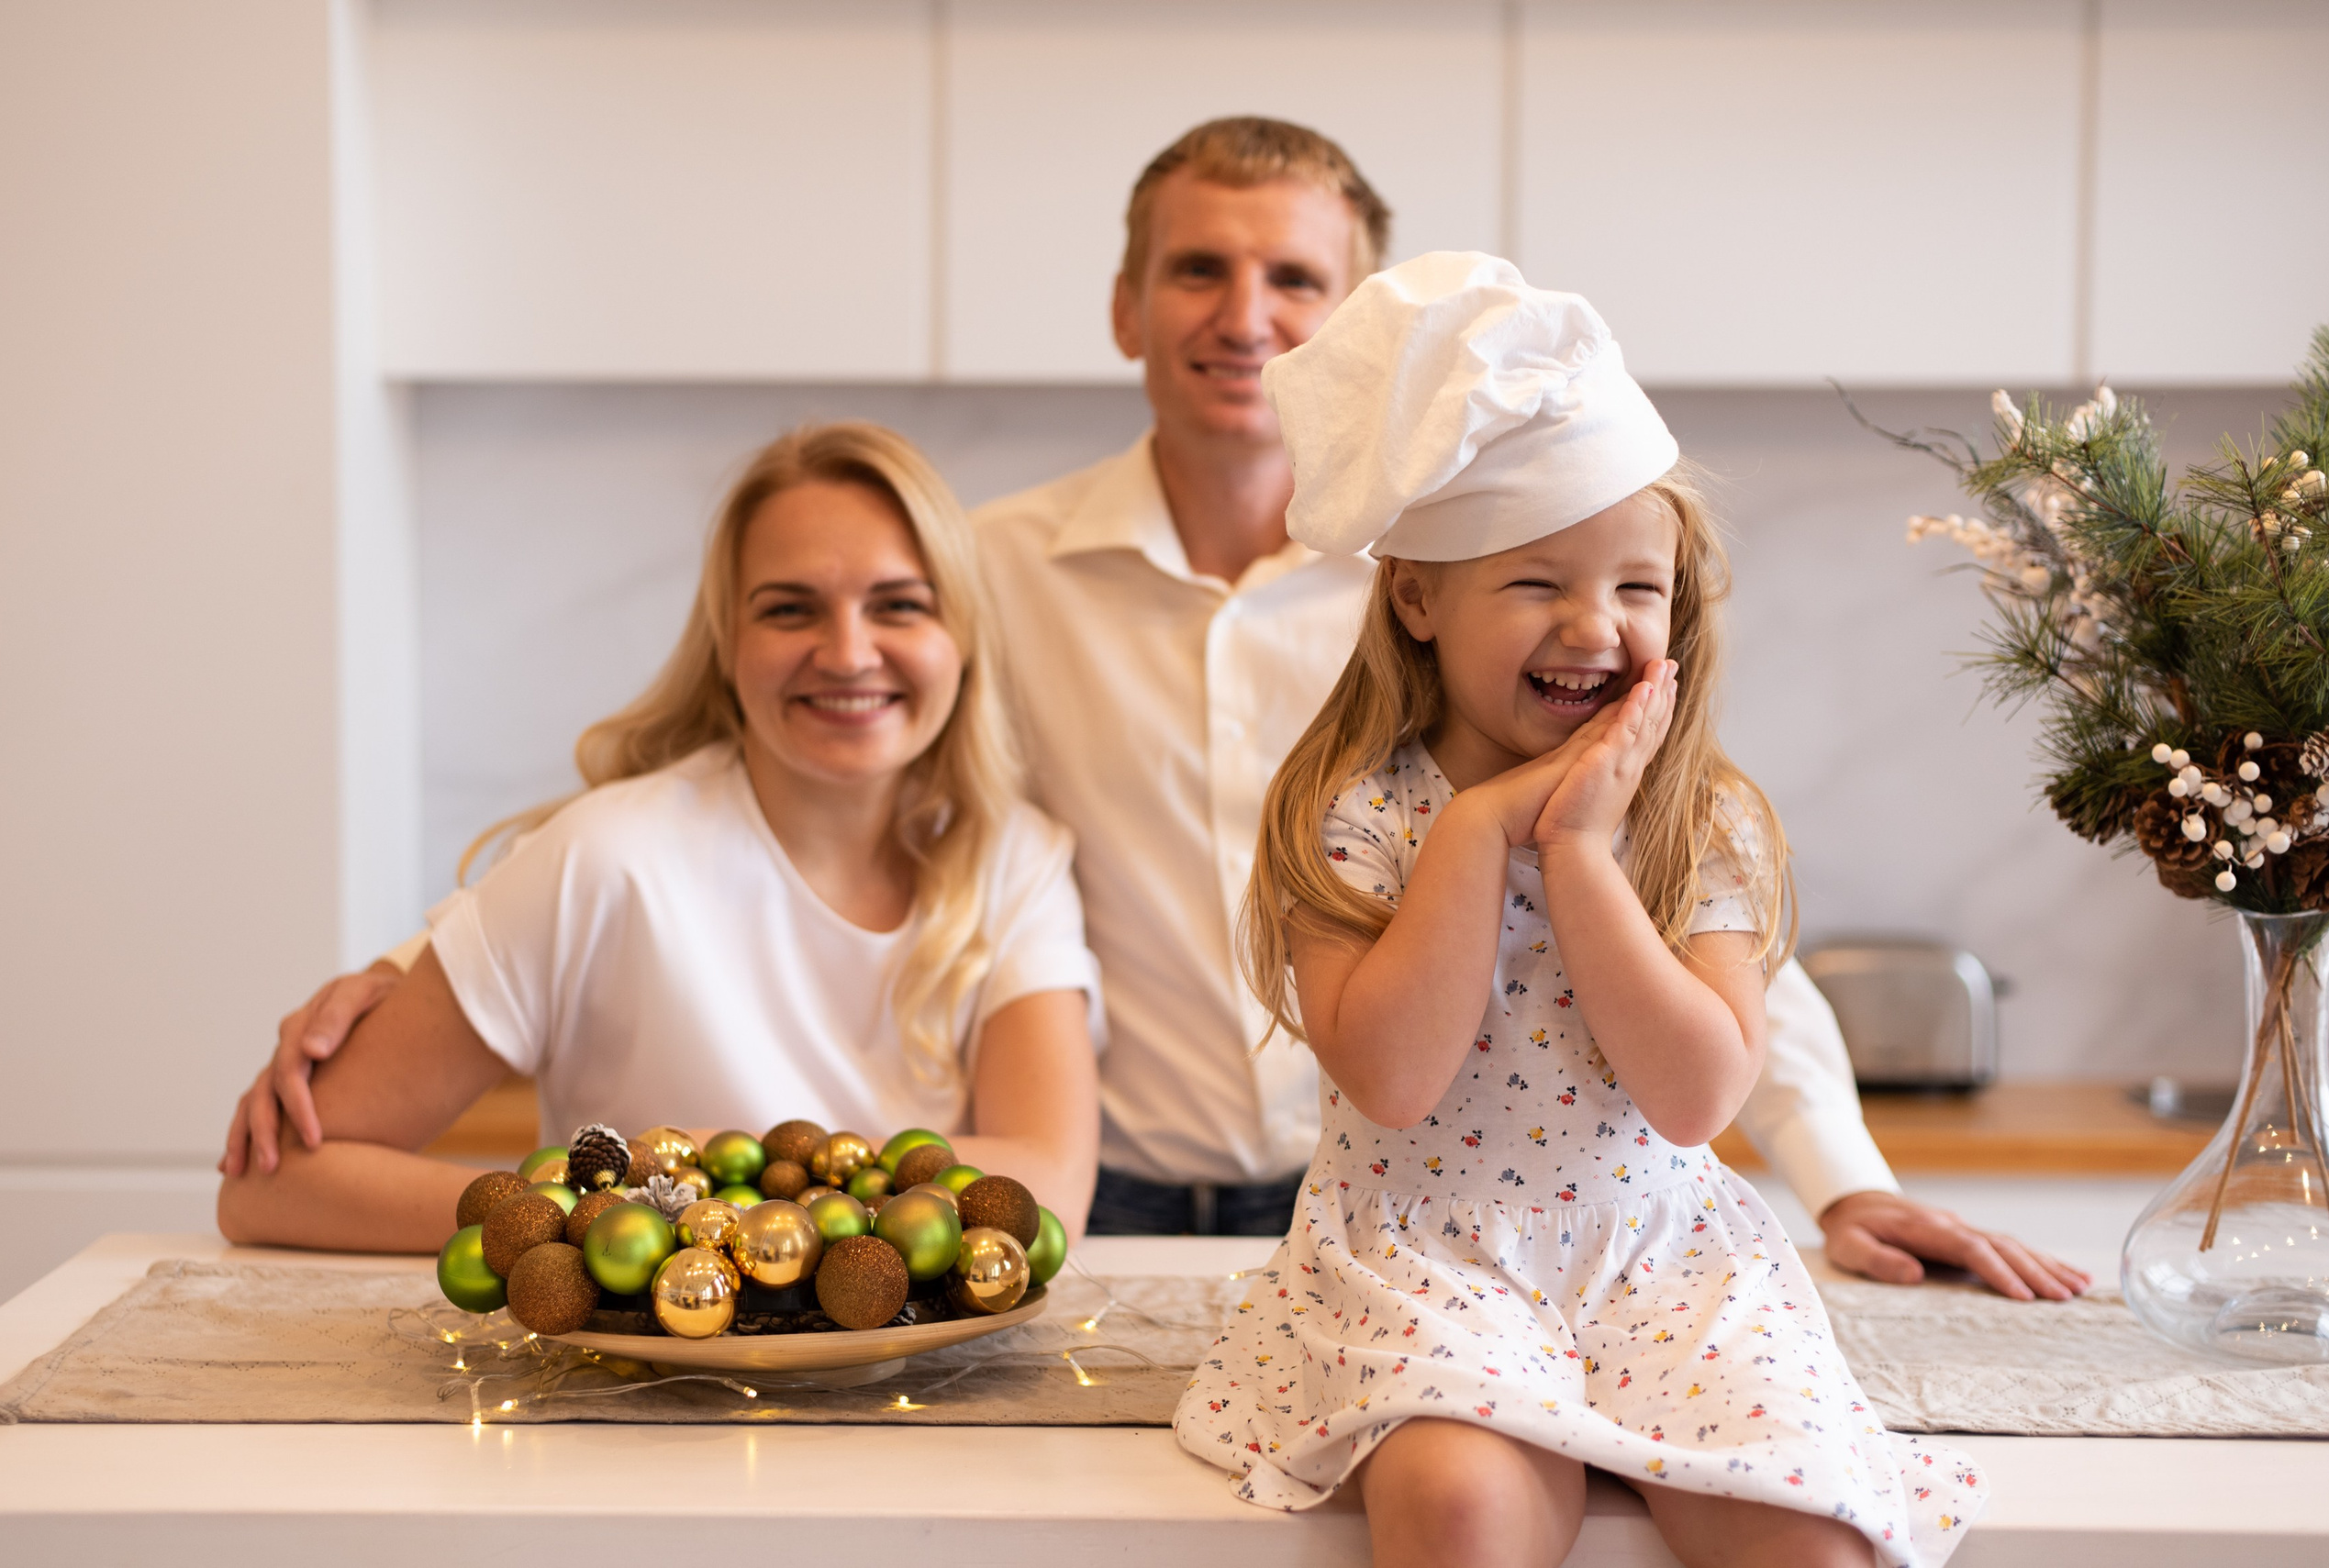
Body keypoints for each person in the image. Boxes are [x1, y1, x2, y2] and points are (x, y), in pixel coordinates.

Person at [229, 117, 2085, 1301]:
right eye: (1199, 264)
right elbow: (779, 750)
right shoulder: (991, 580)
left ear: (1365, 333)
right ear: (1126, 298)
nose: (1246, 311)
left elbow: (1678, 863)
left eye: (1298, 276)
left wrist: (1839, 1175)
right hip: (1104, 1206)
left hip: (1407, 1207)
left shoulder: (1471, 610)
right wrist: (430, 964)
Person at [1175, 253, 1979, 1567]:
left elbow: (1696, 1097)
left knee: (1812, 1529)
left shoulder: (1695, 817)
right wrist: (1488, 831)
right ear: (1418, 598)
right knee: (1458, 1502)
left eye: (1635, 588)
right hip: (1427, 1263)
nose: (1594, 625)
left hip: (1666, 1263)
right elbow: (1390, 1074)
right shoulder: (1354, 814)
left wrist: (1586, 854)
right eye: (1538, 582)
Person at [217, 424, 1101, 1251]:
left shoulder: (1015, 862)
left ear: (963, 639)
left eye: (899, 605)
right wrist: (581, 1219)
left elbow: (1049, 1183)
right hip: (623, 1406)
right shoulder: (606, 857)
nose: (846, 653)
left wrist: (718, 1165)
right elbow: (274, 1185)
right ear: (726, 641)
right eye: (790, 609)